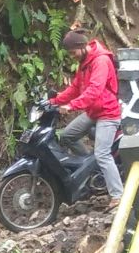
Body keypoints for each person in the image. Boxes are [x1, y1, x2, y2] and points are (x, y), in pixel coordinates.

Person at [49, 29, 123, 208]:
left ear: (82, 47)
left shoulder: (101, 61)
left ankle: (117, 195)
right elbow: (75, 88)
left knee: (102, 153)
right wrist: (53, 101)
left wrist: (71, 106)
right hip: (93, 112)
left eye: (73, 52)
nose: (72, 56)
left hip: (108, 113)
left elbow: (94, 90)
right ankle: (91, 168)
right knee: (67, 136)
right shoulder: (84, 63)